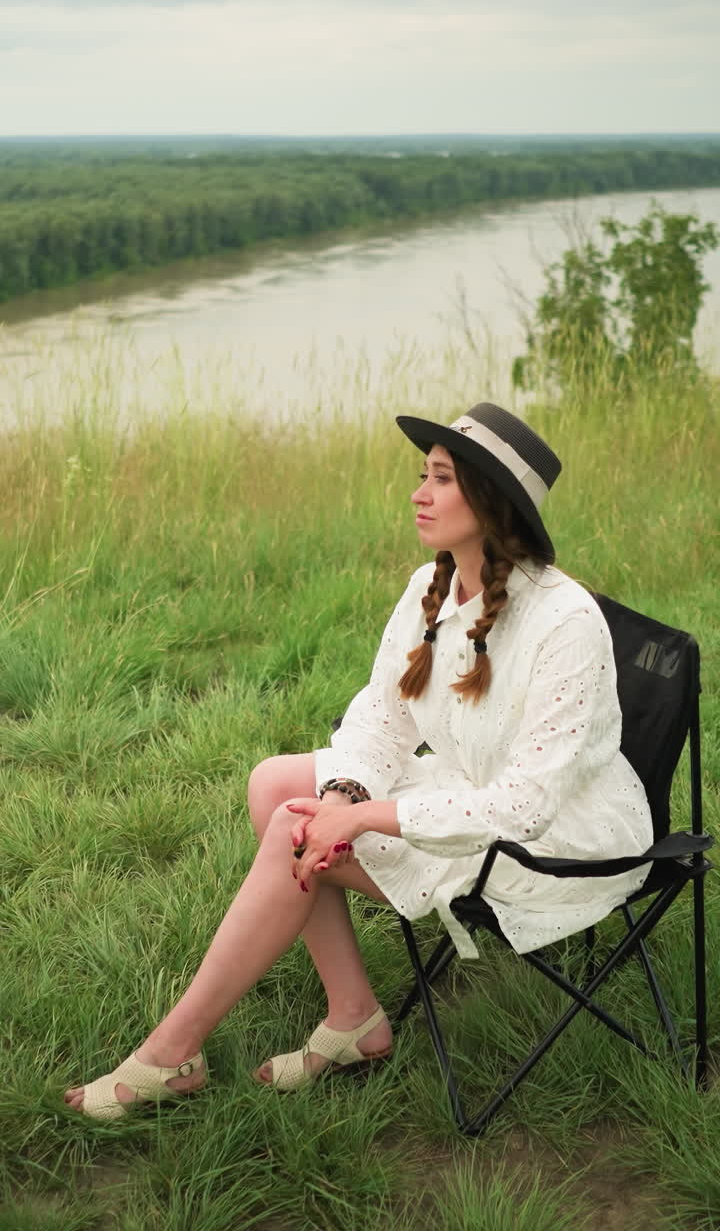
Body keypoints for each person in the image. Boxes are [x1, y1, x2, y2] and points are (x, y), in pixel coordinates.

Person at [65, 402, 653, 1118]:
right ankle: (354, 1015)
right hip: (478, 793)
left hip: (556, 842)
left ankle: (171, 1053)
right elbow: (382, 714)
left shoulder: (564, 621)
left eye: (441, 479)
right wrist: (346, 794)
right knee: (276, 785)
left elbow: (524, 803)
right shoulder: (430, 589)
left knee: (292, 824)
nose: (419, 492)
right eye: (422, 475)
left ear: (492, 501)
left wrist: (366, 814)